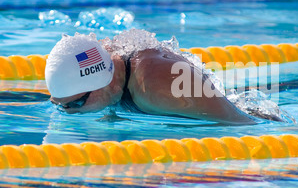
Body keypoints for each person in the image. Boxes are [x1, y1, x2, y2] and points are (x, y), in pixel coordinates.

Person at [45, 30, 256, 125]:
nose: (69, 112)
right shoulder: (108, 66)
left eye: (76, 102)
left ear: (103, 84)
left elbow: (241, 123)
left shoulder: (157, 86)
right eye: (59, 105)